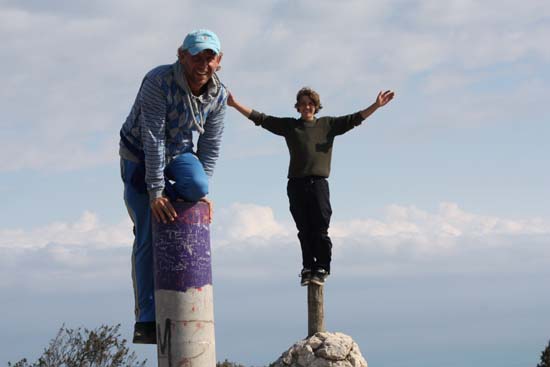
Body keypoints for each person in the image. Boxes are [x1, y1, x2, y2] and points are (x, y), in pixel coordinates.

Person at [119, 29, 228, 344]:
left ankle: (174, 202)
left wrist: (201, 194)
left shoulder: (219, 95)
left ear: (219, 61)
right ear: (182, 55)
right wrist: (156, 192)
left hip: (179, 152)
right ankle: (146, 319)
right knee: (147, 231)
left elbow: (210, 144)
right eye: (196, 55)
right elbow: (152, 134)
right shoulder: (158, 80)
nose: (202, 63)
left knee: (195, 184)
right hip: (139, 153)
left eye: (210, 56)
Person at [228, 87, 394, 286]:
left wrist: (376, 105)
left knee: (320, 227)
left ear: (316, 106)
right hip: (296, 184)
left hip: (319, 184)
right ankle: (308, 267)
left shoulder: (328, 125)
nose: (307, 107)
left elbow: (355, 119)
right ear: (297, 107)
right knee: (304, 229)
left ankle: (322, 267)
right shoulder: (290, 126)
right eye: (303, 103)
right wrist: (234, 104)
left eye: (310, 103)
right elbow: (262, 119)